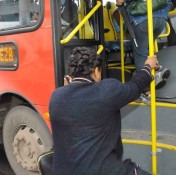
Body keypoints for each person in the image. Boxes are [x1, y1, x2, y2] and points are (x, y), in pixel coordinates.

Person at [49, 46, 159, 175]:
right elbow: (136, 86)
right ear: (96, 71)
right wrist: (147, 66)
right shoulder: (107, 90)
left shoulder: (56, 96)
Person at [116, 0, 172, 92]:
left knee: (140, 54)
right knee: (148, 48)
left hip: (143, 19)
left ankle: (145, 89)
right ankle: (158, 69)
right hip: (159, 19)